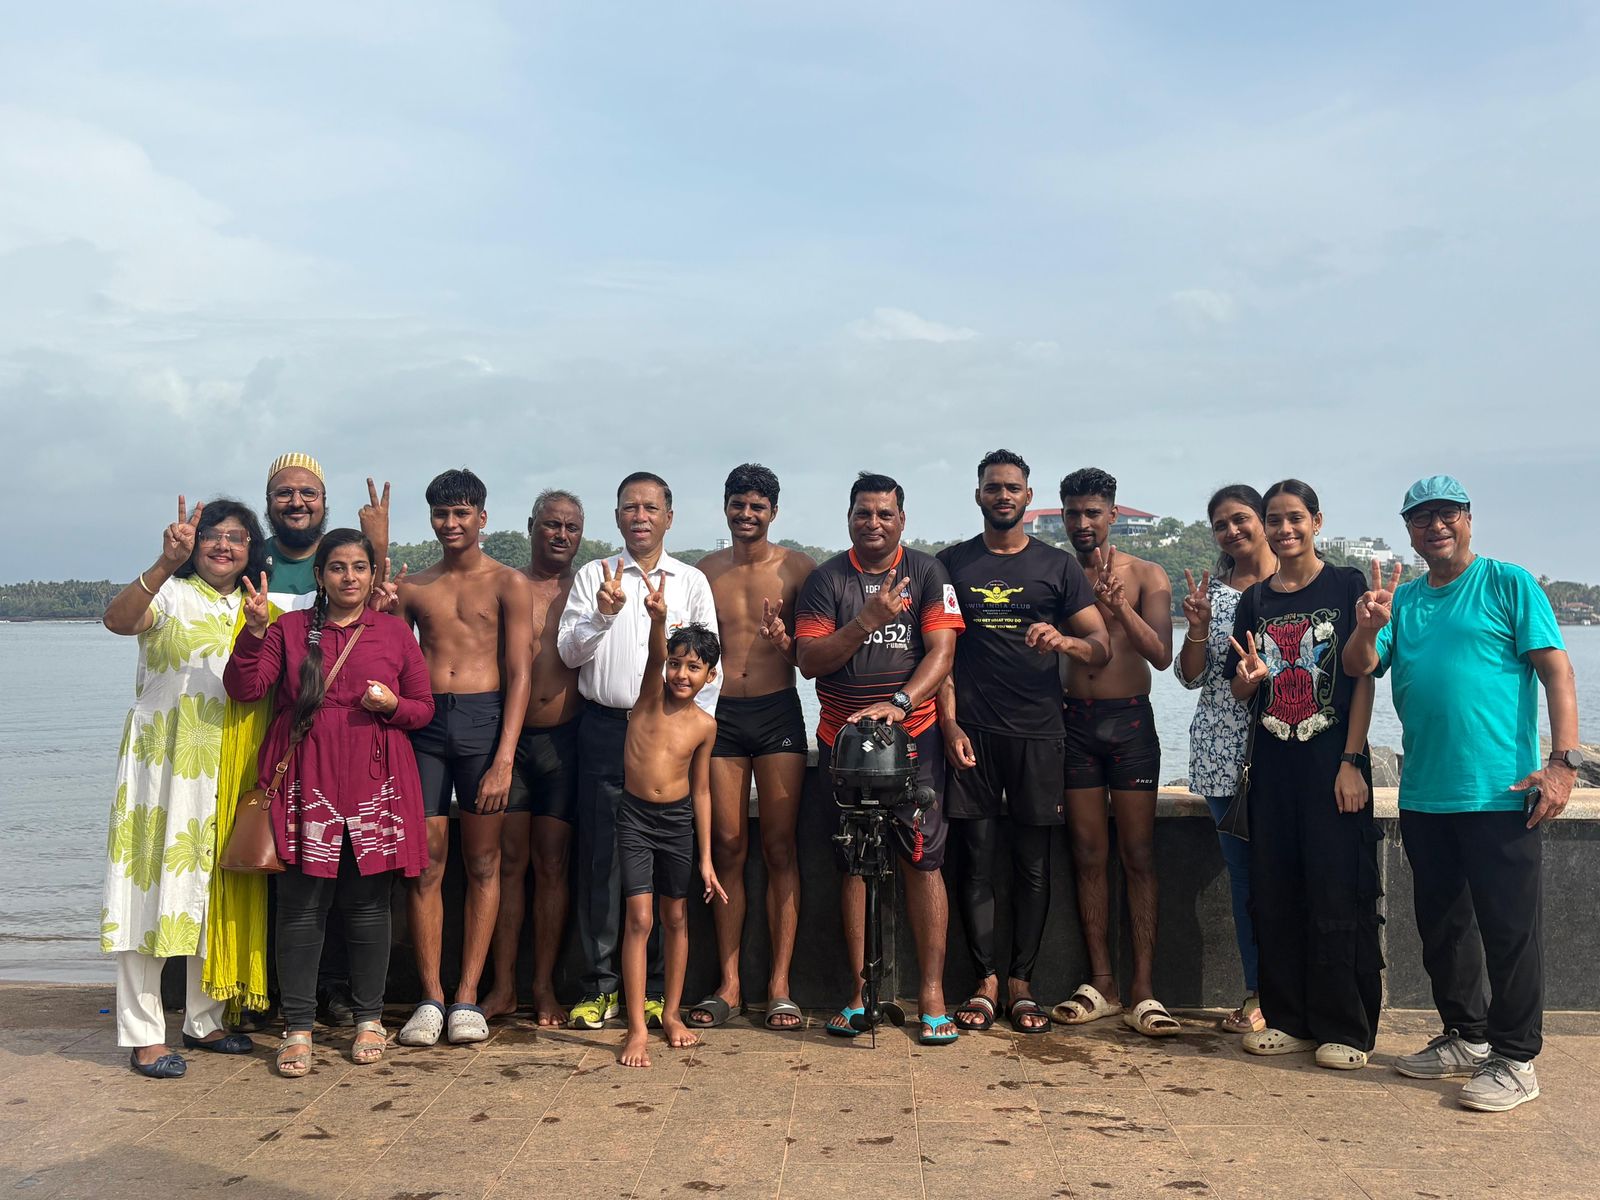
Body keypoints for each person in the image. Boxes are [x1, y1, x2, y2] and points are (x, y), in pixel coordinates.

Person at [1344, 475, 1580, 1111]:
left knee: (1509, 932)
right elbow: (1360, 666)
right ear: (1409, 531)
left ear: (1468, 519)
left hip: (1502, 793)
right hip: (1425, 793)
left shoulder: (1508, 583)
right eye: (1421, 518)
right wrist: (1368, 626)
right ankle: (1466, 1036)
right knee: (1443, 927)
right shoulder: (1403, 600)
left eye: (1446, 514)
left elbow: (1557, 672)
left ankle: (1516, 1058)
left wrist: (1563, 764)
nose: (1435, 526)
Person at [224, 529, 434, 1075]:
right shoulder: (290, 629)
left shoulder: (393, 632)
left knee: (368, 907)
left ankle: (369, 1019)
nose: (349, 577)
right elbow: (246, 688)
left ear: (372, 575)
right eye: (337, 567)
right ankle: (298, 1028)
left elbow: (423, 708)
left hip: (374, 782)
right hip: (306, 781)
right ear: (319, 576)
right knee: (300, 908)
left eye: (359, 567)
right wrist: (252, 633)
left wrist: (392, 705)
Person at [936, 451, 1108, 1035]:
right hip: (974, 732)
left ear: (1029, 498)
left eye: (1013, 488)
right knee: (977, 861)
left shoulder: (1058, 567)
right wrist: (950, 725)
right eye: (993, 487)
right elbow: (940, 655)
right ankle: (984, 982)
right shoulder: (952, 564)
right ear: (978, 495)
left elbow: (1100, 646)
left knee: (1034, 865)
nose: (1003, 496)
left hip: (1039, 731)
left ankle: (1022, 984)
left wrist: (1063, 641)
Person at [795, 472, 965, 1046]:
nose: (874, 523)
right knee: (852, 861)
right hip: (843, 741)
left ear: (902, 520)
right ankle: (859, 993)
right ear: (848, 518)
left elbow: (942, 652)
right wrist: (866, 620)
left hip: (913, 735)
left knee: (923, 861)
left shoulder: (928, 572)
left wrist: (900, 703)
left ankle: (932, 994)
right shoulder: (826, 580)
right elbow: (811, 660)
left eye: (884, 514)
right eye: (863, 513)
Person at [102, 495, 268, 1077]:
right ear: (192, 545)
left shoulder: (257, 606)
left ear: (251, 549)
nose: (223, 545)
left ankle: (204, 1019)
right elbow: (118, 620)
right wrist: (163, 564)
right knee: (146, 889)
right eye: (212, 535)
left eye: (236, 537)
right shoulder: (169, 593)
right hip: (162, 763)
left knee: (211, 890)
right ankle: (143, 1033)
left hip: (228, 766)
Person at [1226, 479, 1381, 1071]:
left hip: (1332, 765)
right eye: (1274, 519)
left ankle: (1347, 1027)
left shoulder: (1345, 584)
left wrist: (1351, 761)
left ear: (1317, 521)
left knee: (1338, 890)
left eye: (1295, 517)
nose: (1284, 529)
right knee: (1276, 893)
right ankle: (1289, 1019)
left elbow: (1361, 678)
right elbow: (1242, 688)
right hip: (1273, 769)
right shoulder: (1254, 600)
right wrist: (1248, 680)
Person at [557, 472, 721, 1030]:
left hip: (668, 737)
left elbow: (710, 670)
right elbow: (569, 653)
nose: (640, 517)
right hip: (607, 728)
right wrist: (604, 613)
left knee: (665, 880)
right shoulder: (594, 575)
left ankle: (653, 993)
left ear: (669, 517)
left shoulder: (691, 581)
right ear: (617, 516)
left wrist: (686, 734)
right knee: (602, 860)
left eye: (651, 508)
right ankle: (600, 986)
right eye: (630, 507)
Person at [391, 469, 534, 1047]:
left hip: (483, 721)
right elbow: (392, 661)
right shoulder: (414, 587)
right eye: (441, 514)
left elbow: (521, 674)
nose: (451, 524)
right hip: (426, 723)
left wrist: (505, 758)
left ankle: (468, 995)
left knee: (483, 861)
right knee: (426, 861)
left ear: (481, 517)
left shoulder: (508, 583)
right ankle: (430, 997)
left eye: (461, 513)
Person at [255, 457, 390, 1030]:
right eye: (284, 493)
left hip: (349, 758)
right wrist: (254, 632)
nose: (296, 502)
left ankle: (345, 1002)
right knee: (293, 889)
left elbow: (410, 689)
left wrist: (380, 546)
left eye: (307, 493)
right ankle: (279, 1004)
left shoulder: (368, 597)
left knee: (353, 890)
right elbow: (250, 679)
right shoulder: (251, 557)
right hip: (282, 744)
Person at [1051, 467, 1177, 1037]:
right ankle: (1102, 982)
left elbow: (1162, 655)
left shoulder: (1147, 574)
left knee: (1139, 854)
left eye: (1092, 512)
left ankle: (1144, 989)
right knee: (1087, 853)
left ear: (1113, 514)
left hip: (1129, 722)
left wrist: (1120, 608)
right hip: (1074, 722)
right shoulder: (1056, 574)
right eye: (1072, 513)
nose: (1082, 523)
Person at [691, 465, 816, 1031]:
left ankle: (780, 985)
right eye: (738, 504)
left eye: (757, 506)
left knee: (781, 847)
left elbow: (812, 661)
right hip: (721, 717)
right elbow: (688, 655)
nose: (747, 515)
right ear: (725, 507)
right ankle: (730, 983)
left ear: (773, 512)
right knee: (727, 844)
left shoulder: (798, 569)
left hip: (777, 711)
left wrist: (784, 641)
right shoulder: (705, 572)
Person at [1173, 484, 1278, 1035]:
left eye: (1241, 519)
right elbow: (1190, 678)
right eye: (1221, 524)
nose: (1232, 531)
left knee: (1290, 872)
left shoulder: (1296, 585)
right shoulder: (1210, 595)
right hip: (1223, 753)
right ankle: (1259, 992)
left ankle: (1298, 993)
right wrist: (1196, 628)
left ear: (1264, 520)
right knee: (1245, 878)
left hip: (1289, 747)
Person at [481, 490, 586, 1027]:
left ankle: (543, 986)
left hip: (565, 740)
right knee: (508, 862)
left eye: (571, 527)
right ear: (531, 526)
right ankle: (503, 986)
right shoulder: (507, 585)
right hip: (511, 741)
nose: (560, 534)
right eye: (551, 524)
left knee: (552, 864)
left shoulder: (589, 589)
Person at [616, 575, 728, 1066]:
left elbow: (701, 790)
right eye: (676, 663)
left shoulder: (705, 725)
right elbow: (652, 655)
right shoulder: (648, 698)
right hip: (635, 818)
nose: (682, 674)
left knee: (676, 917)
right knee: (640, 918)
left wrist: (706, 859)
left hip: (678, 822)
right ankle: (637, 1027)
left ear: (710, 676)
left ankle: (673, 1013)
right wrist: (659, 620)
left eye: (694, 667)